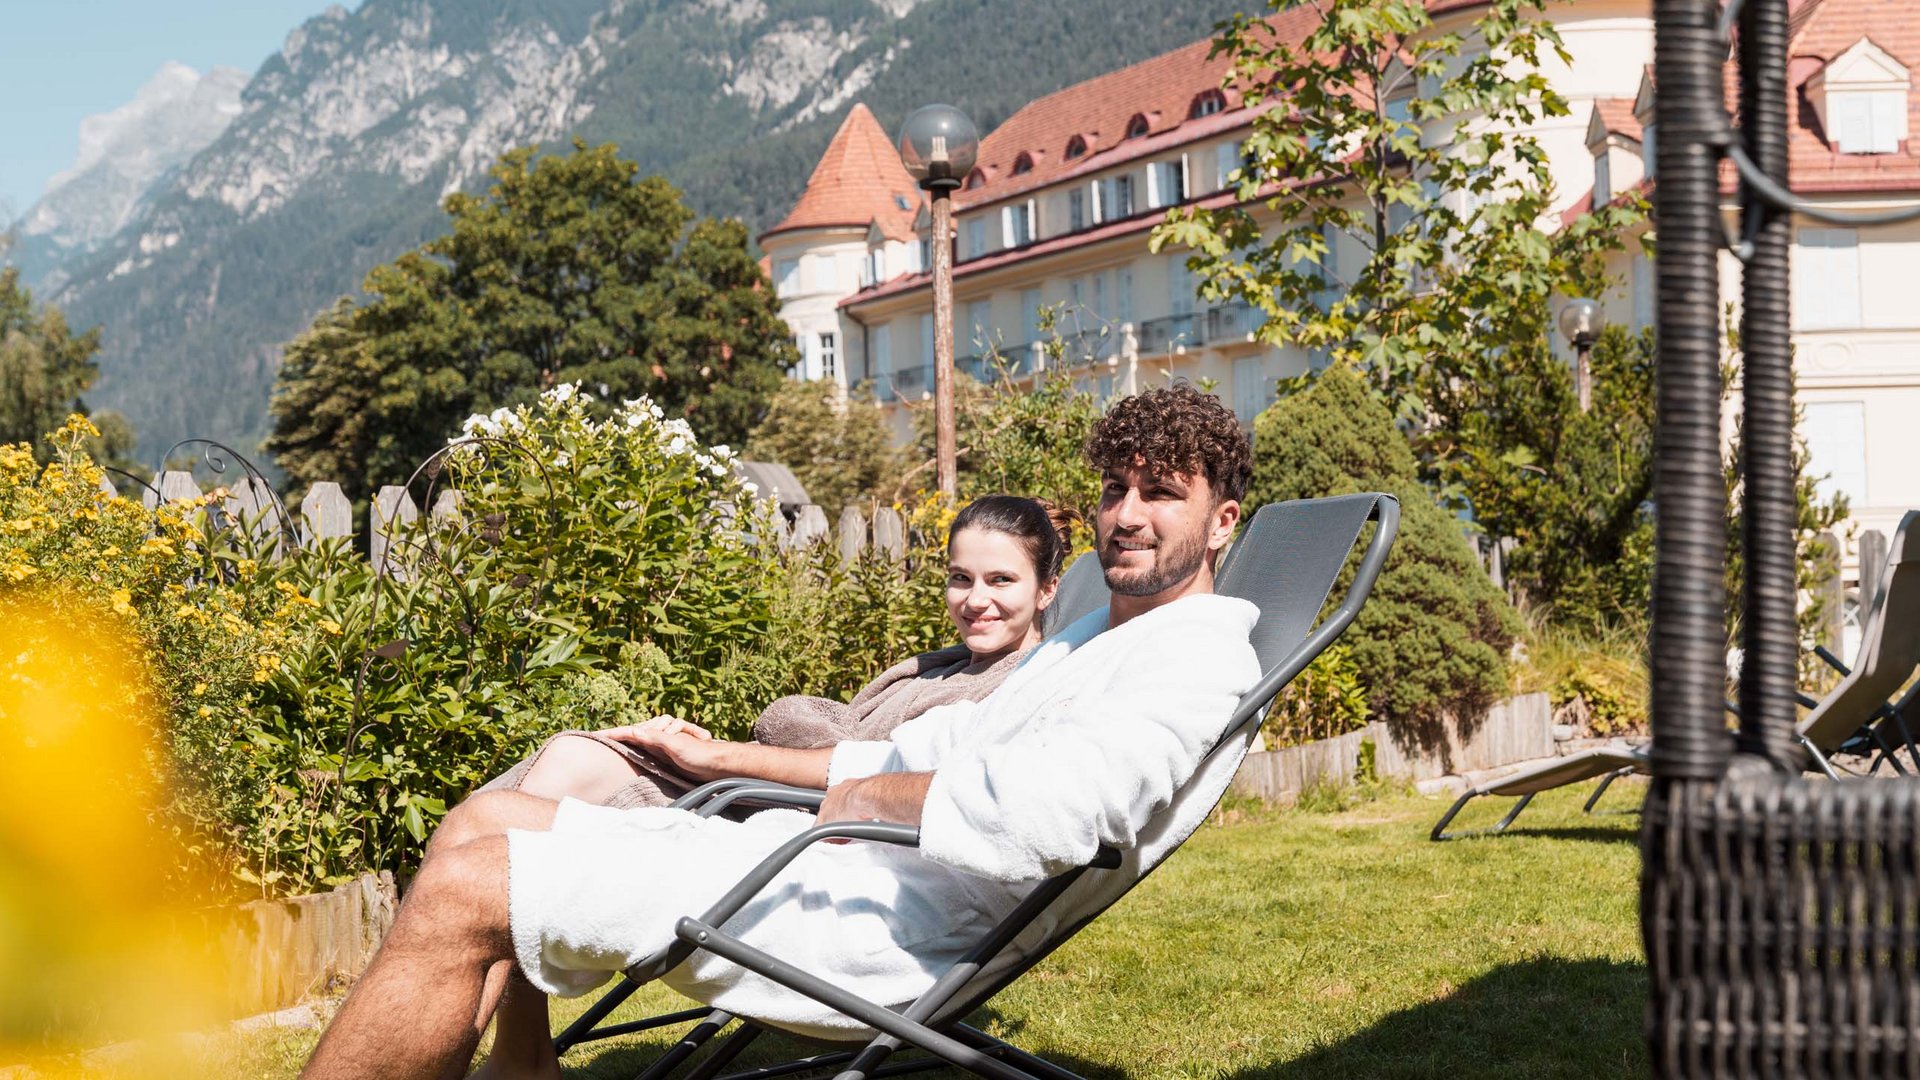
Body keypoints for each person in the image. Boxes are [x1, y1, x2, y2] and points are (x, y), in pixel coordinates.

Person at [300, 384, 1260, 1080]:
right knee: (486, 818)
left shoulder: (1195, 661)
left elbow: (1055, 818)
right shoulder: (1098, 639)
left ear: (1221, 523)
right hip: (830, 867)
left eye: (1162, 492)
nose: (1128, 515)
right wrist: (721, 758)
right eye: (1115, 490)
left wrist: (850, 802)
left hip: (893, 927)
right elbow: (915, 754)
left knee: (476, 880)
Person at [480, 495, 1079, 810]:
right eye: (960, 578)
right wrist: (703, 750)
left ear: (1047, 588)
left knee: (540, 799)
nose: (976, 600)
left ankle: (513, 1033)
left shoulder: (1011, 691)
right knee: (555, 771)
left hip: (788, 824)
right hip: (758, 791)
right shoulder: (949, 665)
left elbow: (866, 769)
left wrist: (717, 756)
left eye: (1001, 581)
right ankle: (519, 1039)